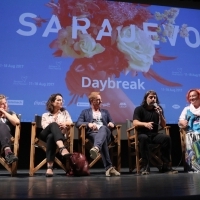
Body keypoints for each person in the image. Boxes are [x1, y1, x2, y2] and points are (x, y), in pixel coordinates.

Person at [133, 90, 178, 175]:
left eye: (155, 97)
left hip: (154, 135)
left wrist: (160, 114)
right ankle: (146, 166)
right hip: (143, 134)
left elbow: (164, 125)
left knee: (166, 138)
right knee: (144, 137)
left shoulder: (158, 109)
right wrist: (145, 124)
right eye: (151, 97)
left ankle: (165, 166)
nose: (153, 99)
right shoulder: (139, 109)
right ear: (145, 99)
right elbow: (135, 122)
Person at [76, 91, 120, 177]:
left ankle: (96, 148)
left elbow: (112, 122)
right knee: (101, 141)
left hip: (106, 133)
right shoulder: (85, 112)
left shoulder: (105, 112)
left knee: (103, 128)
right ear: (92, 101)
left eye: (101, 100)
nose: (101, 101)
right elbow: (78, 123)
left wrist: (112, 124)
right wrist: (89, 124)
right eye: (98, 100)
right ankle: (109, 168)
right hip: (93, 134)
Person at [40, 93, 73, 177]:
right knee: (53, 125)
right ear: (52, 102)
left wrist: (65, 123)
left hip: (56, 137)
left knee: (51, 137)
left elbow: (70, 122)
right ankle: (62, 148)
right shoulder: (45, 115)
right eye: (58, 100)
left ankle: (49, 168)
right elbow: (45, 127)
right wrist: (55, 125)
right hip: (44, 136)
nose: (61, 102)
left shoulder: (65, 113)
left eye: (62, 100)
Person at [178, 89, 200, 172]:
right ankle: (194, 167)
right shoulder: (187, 109)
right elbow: (180, 121)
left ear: (199, 96)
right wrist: (182, 122)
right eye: (190, 96)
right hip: (192, 133)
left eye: (193, 95)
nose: (191, 98)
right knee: (193, 137)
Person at [0, 94, 19, 164]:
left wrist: (5, 113)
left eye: (5, 103)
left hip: (7, 138)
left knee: (1, 125)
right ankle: (8, 153)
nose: (5, 105)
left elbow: (17, 122)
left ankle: (8, 151)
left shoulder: (11, 113)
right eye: (2, 104)